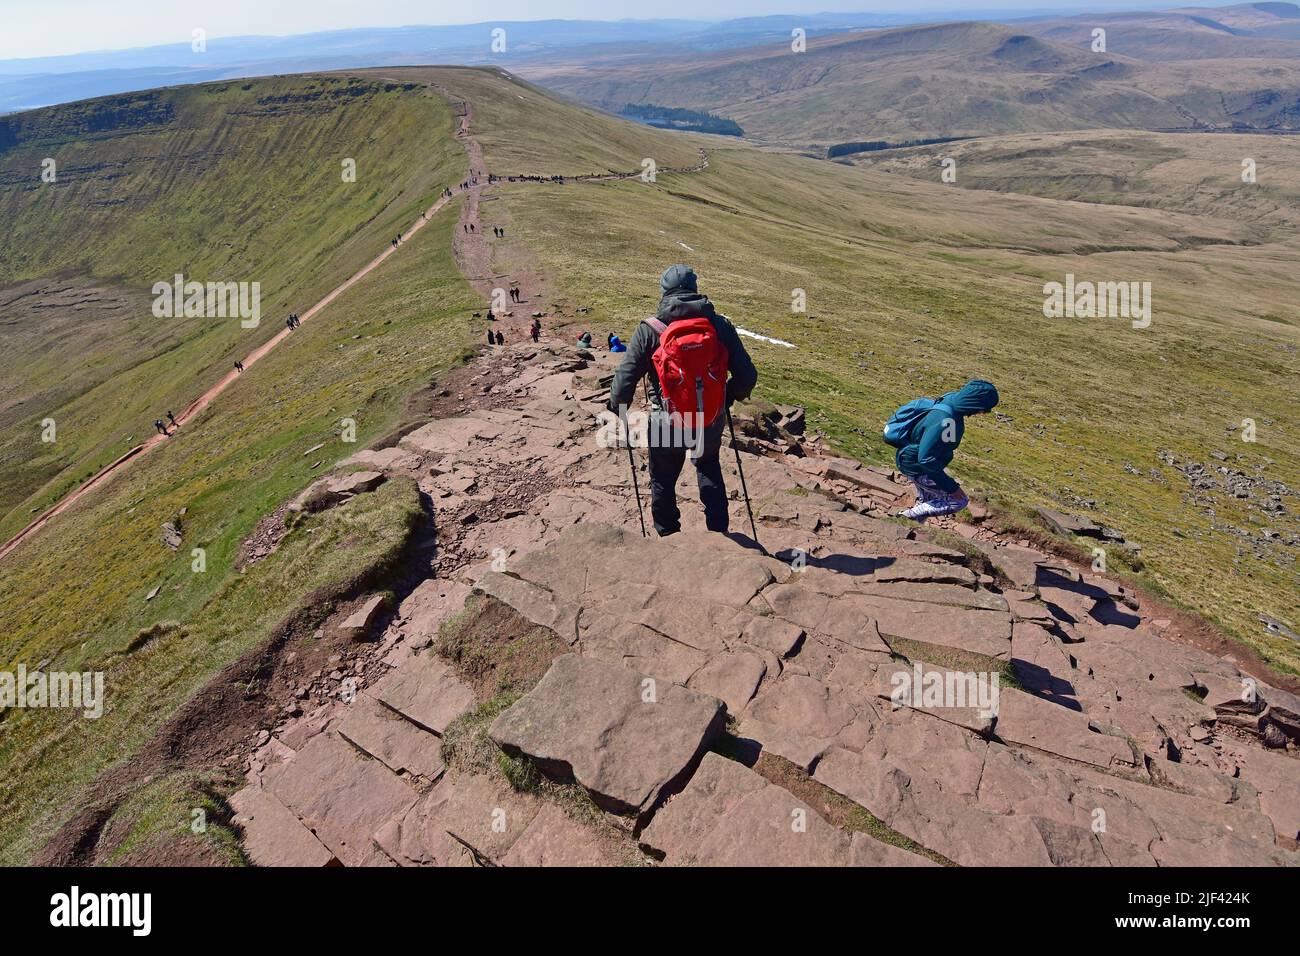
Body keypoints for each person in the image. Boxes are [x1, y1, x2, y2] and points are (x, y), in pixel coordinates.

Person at [607, 264, 757, 537]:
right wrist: (727, 397)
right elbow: (747, 377)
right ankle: (719, 532)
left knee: (663, 477)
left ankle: (668, 535)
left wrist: (618, 408)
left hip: (667, 419)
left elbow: (624, 382)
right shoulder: (719, 326)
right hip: (709, 416)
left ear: (664, 292)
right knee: (708, 464)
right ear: (695, 290)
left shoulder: (650, 329)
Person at [885, 379, 1000, 520]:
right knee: (959, 501)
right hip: (917, 466)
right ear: (975, 402)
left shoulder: (950, 399)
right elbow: (926, 459)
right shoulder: (946, 420)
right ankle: (906, 517)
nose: (983, 412)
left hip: (910, 459)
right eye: (984, 408)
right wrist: (952, 488)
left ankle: (912, 524)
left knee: (928, 499)